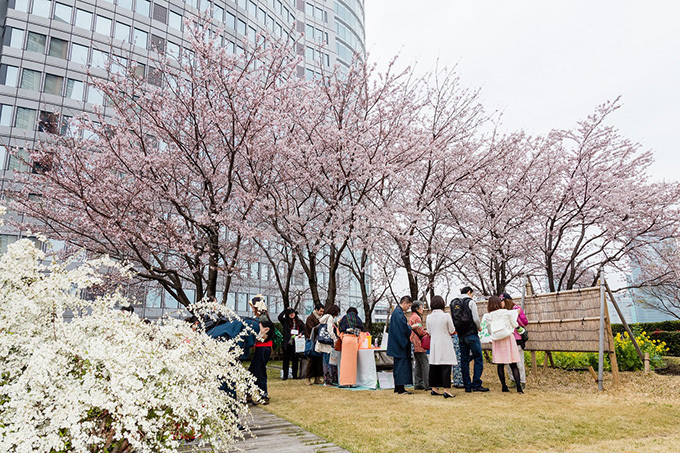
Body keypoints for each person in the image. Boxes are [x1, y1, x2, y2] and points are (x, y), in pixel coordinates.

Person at [450, 286, 489, 392]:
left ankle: (467, 385)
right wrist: (479, 327)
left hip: (461, 335)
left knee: (464, 360)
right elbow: (475, 318)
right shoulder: (470, 302)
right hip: (471, 334)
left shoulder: (453, 302)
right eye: (472, 294)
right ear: (469, 292)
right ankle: (476, 384)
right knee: (478, 358)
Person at [482, 295, 523, 394]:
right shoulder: (506, 312)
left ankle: (504, 386)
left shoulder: (488, 316)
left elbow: (489, 330)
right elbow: (514, 324)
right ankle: (519, 387)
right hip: (508, 338)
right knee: (513, 364)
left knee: (500, 365)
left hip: (497, 340)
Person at [426, 295, 457, 398]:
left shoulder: (429, 317)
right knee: (446, 366)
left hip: (434, 343)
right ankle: (446, 390)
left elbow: (429, 332)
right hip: (445, 342)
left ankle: (434, 389)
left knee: (434, 366)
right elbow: (452, 330)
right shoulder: (446, 316)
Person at [247, 295, 274, 404]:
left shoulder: (263, 319)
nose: (252, 308)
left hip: (263, 348)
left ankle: (263, 396)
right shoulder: (263, 317)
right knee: (252, 372)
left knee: (259, 372)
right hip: (262, 348)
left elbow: (263, 333)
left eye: (253, 306)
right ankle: (248, 394)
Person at [386, 295, 414, 394]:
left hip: (396, 344)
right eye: (408, 305)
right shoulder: (399, 313)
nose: (408, 308)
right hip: (399, 345)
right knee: (401, 366)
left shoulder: (397, 312)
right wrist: (411, 328)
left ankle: (398, 387)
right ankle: (400, 389)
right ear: (404, 303)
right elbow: (403, 328)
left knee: (398, 366)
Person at [501, 293, 528, 388]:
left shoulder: (516, 309)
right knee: (508, 362)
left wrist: (517, 315)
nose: (501, 303)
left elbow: (525, 322)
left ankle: (522, 381)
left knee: (519, 361)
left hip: (517, 339)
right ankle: (513, 380)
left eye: (502, 301)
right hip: (506, 337)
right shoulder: (502, 311)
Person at [315, 305, 341, 385]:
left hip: (322, 342)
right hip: (328, 343)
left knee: (325, 362)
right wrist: (335, 339)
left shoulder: (324, 318)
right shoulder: (330, 318)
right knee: (329, 362)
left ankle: (326, 380)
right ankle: (328, 380)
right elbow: (330, 330)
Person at [278, 307, 306, 380]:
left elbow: (304, 330)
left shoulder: (299, 322)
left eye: (292, 313)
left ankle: (294, 375)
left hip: (295, 343)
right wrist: (285, 310)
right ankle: (285, 375)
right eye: (290, 313)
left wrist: (301, 334)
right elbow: (279, 317)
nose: (291, 315)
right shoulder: (285, 322)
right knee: (286, 360)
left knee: (295, 360)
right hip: (287, 343)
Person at [409, 300, 430, 390]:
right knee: (425, 364)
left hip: (413, 342)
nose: (423, 308)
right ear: (417, 308)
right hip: (419, 343)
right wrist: (428, 333)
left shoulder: (412, 317)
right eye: (421, 306)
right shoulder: (417, 318)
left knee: (417, 364)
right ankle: (428, 384)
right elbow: (421, 332)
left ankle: (418, 383)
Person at [305, 303, 325, 385]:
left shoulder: (322, 318)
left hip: (319, 341)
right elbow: (311, 329)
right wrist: (320, 326)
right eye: (320, 311)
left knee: (319, 361)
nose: (322, 313)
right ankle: (307, 378)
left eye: (323, 311)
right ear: (316, 310)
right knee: (311, 360)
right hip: (312, 341)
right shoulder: (310, 318)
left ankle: (317, 377)